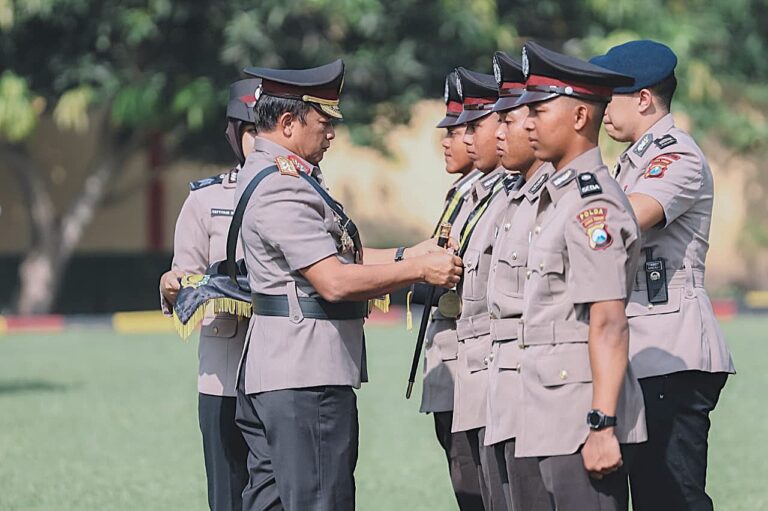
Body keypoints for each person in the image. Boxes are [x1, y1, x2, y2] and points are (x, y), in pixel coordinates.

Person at [232, 59, 464, 511]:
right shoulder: (284, 186)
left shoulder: (280, 175)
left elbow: (335, 254)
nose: (332, 134)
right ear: (287, 123)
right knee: (320, 499)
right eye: (324, 122)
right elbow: (334, 280)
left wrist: (409, 254)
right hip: (304, 375)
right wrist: (420, 272)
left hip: (283, 370)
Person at [590, 40, 735, 511]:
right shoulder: (631, 158)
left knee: (672, 498)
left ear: (645, 99)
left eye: (609, 96)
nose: (600, 108)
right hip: (642, 352)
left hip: (672, 354)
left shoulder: (677, 156)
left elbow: (628, 217)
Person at [510, 41, 648, 510]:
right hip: (544, 409)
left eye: (540, 110)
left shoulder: (593, 205)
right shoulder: (556, 197)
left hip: (578, 417)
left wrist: (602, 424)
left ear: (579, 117)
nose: (528, 123)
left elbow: (608, 320)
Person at [159, 78, 260, 511]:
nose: (260, 140)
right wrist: (173, 285)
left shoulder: (304, 192)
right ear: (233, 135)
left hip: (287, 366)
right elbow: (184, 275)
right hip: (223, 372)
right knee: (227, 492)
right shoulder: (206, 200)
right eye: (251, 130)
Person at [483, 50, 553, 511]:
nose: (499, 131)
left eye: (511, 119)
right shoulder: (514, 193)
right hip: (501, 372)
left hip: (549, 384)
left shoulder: (561, 198)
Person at [422, 70, 486, 511]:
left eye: (458, 131)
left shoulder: (493, 193)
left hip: (478, 365)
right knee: (467, 486)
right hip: (453, 358)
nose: (445, 141)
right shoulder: (462, 193)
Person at [448, 65, 510, 511]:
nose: (465, 138)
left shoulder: (517, 193)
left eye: (477, 125)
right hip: (475, 360)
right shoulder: (475, 191)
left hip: (512, 366)